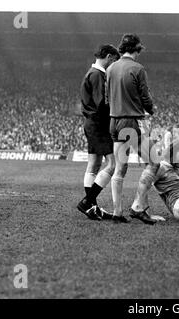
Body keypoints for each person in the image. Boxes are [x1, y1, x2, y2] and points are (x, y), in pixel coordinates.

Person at [106, 33, 158, 224]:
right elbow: (145, 97)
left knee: (120, 168)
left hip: (114, 121)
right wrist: (151, 110)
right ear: (137, 49)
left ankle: (117, 213)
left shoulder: (111, 68)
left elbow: (106, 98)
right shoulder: (138, 68)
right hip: (132, 122)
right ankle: (138, 207)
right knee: (153, 162)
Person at [76, 44, 120, 220]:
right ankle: (88, 202)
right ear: (109, 56)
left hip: (91, 123)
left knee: (93, 164)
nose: (113, 65)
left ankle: (92, 207)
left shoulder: (91, 73)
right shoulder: (97, 75)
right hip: (99, 124)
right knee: (113, 164)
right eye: (114, 60)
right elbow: (102, 103)